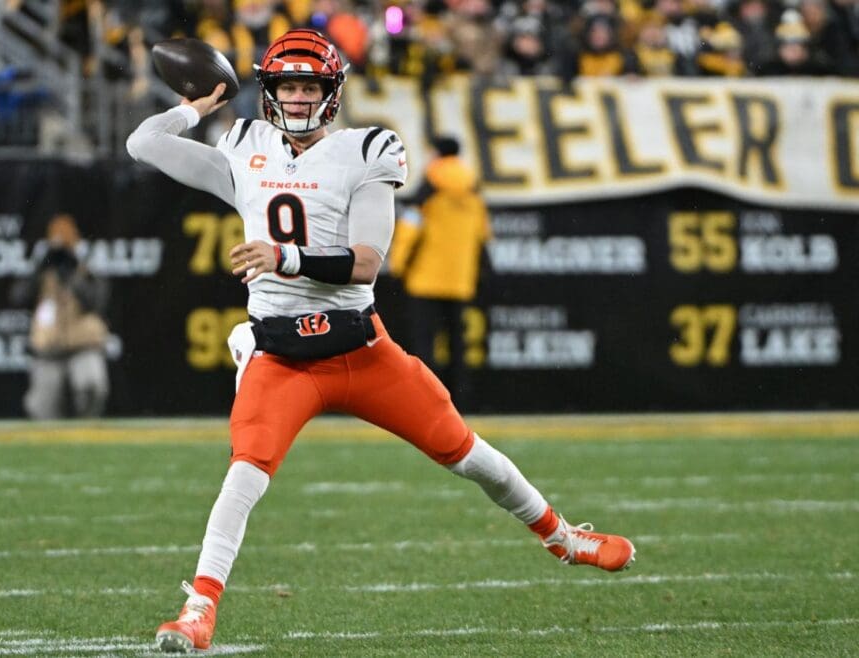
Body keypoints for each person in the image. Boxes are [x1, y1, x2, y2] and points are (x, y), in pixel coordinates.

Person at [127, 28, 635, 654]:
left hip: (361, 351)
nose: (297, 97)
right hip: (282, 355)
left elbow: (368, 263)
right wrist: (196, 105)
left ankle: (561, 536)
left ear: (331, 92)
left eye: (309, 85)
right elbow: (143, 142)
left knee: (466, 452)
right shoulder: (243, 145)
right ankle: (199, 608)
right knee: (243, 477)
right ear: (269, 90)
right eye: (286, 84)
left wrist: (284, 257)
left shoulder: (365, 151)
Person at [389, 135, 490, 412]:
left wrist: (398, 263)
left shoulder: (430, 183)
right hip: (460, 280)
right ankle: (460, 401)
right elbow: (482, 234)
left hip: (426, 278)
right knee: (458, 346)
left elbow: (412, 225)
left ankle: (426, 402)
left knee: (425, 344)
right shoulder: (472, 186)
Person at [9, 214, 110, 419]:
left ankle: (86, 432)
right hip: (48, 351)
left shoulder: (86, 267)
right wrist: (40, 268)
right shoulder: (44, 270)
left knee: (92, 386)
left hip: (83, 346)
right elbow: (18, 297)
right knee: (41, 408)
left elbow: (97, 302)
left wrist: (74, 274)